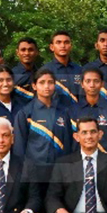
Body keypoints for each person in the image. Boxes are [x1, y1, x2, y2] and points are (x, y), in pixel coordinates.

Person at [14, 69, 72, 199]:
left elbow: (68, 142)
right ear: (34, 86)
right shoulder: (25, 113)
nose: (47, 86)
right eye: (42, 82)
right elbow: (19, 147)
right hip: (34, 172)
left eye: (50, 82)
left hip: (59, 171)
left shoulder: (63, 112)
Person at [69, 68, 107, 156]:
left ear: (102, 84)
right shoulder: (72, 110)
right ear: (82, 84)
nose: (92, 85)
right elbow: (70, 140)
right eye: (88, 81)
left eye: (96, 81)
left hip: (106, 161)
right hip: (78, 162)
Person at [41, 30, 83, 105]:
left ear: (71, 46)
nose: (63, 46)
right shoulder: (45, 71)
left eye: (66, 42)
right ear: (52, 47)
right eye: (58, 42)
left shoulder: (79, 70)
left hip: (78, 114)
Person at [12, 37, 40, 101]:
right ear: (17, 52)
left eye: (30, 50)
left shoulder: (41, 74)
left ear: (36, 52)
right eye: (23, 50)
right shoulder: (11, 75)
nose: (27, 53)